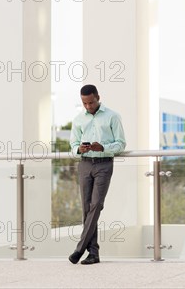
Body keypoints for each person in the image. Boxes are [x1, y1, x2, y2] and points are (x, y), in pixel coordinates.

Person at [68, 84, 126, 265]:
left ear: (98, 97)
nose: (88, 107)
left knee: (97, 205)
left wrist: (104, 148)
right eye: (85, 104)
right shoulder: (78, 120)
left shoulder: (113, 116)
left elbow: (121, 144)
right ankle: (93, 253)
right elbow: (72, 147)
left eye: (91, 102)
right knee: (86, 208)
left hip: (104, 164)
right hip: (85, 164)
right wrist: (79, 148)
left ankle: (79, 249)